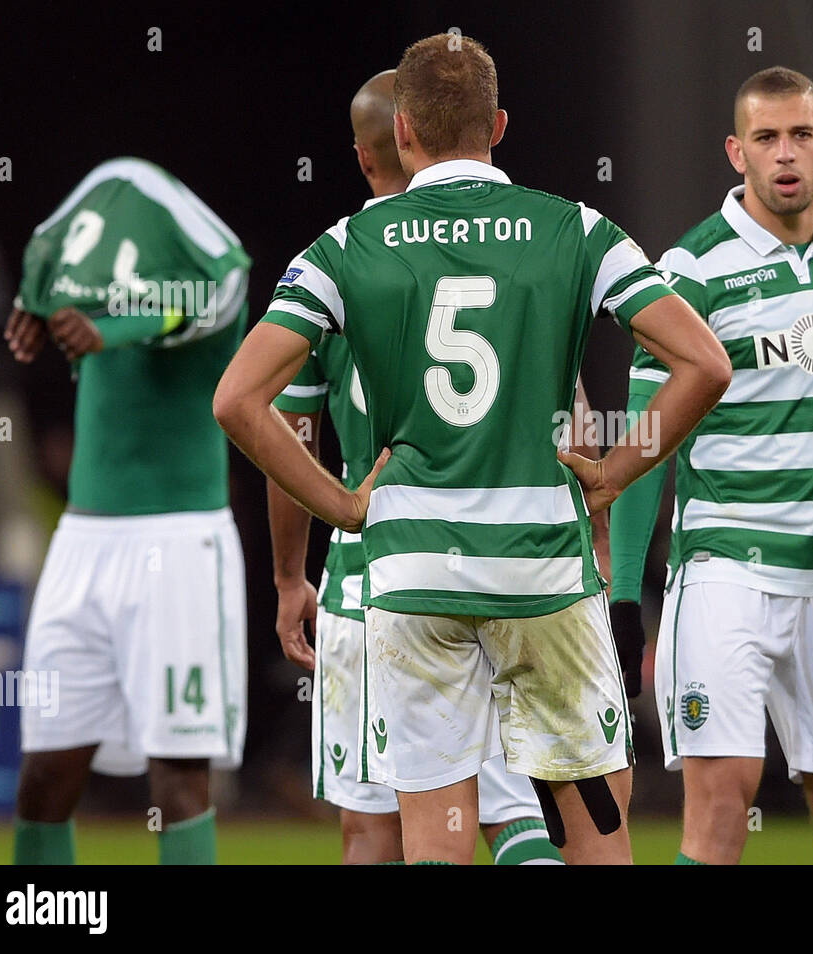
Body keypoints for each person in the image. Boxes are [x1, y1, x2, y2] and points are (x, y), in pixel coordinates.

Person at [214, 33, 731, 864]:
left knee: (437, 837)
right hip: (543, 569)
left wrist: (342, 506)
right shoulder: (576, 228)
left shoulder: (343, 249)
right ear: (498, 124)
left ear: (405, 129)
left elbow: (238, 400)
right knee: (594, 829)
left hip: (413, 570)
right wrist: (615, 470)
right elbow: (704, 364)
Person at [608, 66, 813, 866]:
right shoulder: (689, 272)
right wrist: (625, 593)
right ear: (737, 152)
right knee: (723, 806)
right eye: (766, 138)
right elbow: (646, 443)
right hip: (725, 576)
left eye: (800, 136)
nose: (784, 154)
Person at [267, 69, 577, 864]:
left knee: (379, 827)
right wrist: (596, 531)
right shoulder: (527, 246)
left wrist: (291, 574)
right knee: (515, 812)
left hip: (382, 572)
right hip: (515, 563)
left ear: (379, 150)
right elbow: (570, 412)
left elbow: (284, 431)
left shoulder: (338, 261)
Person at [5, 157, 250, 865]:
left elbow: (211, 292)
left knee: (176, 773)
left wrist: (107, 330)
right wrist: (32, 297)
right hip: (80, 541)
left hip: (179, 542)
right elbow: (49, 258)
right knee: (45, 771)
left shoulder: (203, 294)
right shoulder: (89, 290)